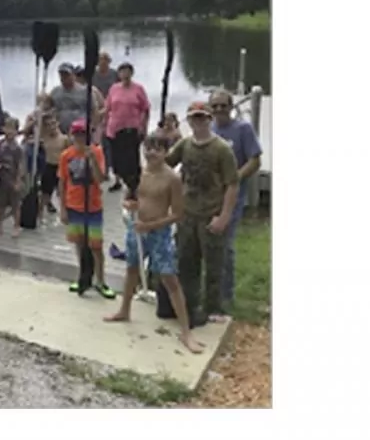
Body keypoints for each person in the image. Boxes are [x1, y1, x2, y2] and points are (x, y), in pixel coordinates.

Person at [103, 135, 204, 354]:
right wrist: (129, 206)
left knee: (169, 278)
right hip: (136, 229)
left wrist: (151, 225)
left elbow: (178, 214)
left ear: (166, 152)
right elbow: (128, 198)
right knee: (131, 270)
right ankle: (124, 310)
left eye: (157, 149)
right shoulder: (139, 173)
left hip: (159, 233)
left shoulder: (172, 179)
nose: (151, 153)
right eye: (148, 148)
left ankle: (186, 332)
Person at [165, 101, 239, 324]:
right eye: (194, 117)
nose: (198, 122)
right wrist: (160, 140)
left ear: (209, 119)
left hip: (211, 213)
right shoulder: (185, 144)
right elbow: (166, 164)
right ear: (188, 121)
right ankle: (190, 305)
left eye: (202, 117)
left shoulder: (222, 149)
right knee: (186, 262)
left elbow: (232, 184)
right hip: (187, 213)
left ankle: (214, 308)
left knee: (214, 264)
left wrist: (224, 216)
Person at [209, 90, 263, 308]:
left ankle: (226, 295)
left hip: (233, 197)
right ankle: (210, 290)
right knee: (208, 243)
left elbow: (255, 161)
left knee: (225, 245)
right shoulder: (208, 128)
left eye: (223, 105)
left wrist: (235, 178)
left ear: (231, 107)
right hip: (208, 197)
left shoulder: (243, 129)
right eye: (215, 106)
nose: (219, 109)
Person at [59, 119, 116, 299]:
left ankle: (101, 280)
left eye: (83, 134)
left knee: (96, 246)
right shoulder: (66, 155)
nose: (79, 138)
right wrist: (63, 208)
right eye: (76, 134)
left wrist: (92, 160)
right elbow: (63, 182)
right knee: (79, 243)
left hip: (92, 206)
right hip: (73, 204)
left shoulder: (97, 152)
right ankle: (83, 276)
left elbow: (100, 179)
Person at [103, 63, 150, 193]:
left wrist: (144, 127)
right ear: (118, 74)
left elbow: (145, 109)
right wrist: (103, 124)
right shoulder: (114, 88)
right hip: (115, 127)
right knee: (116, 157)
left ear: (131, 73)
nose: (125, 74)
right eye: (122, 72)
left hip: (132, 127)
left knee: (131, 157)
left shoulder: (138, 89)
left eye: (127, 71)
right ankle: (118, 181)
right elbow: (107, 107)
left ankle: (134, 184)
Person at [0, 117, 26, 237]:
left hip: (13, 179)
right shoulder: (0, 144)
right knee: (0, 204)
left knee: (15, 205)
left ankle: (16, 226)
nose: (9, 131)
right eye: (7, 128)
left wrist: (18, 180)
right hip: (2, 179)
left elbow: (21, 166)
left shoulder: (18, 148)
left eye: (12, 129)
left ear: (16, 131)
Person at [92, 52, 119, 177]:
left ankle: (109, 168)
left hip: (111, 109)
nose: (103, 62)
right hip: (96, 109)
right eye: (100, 60)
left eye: (105, 60)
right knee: (98, 140)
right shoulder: (93, 74)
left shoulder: (114, 74)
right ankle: (100, 168)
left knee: (109, 140)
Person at [50, 63, 93, 136]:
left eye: (67, 75)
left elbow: (94, 111)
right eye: (62, 75)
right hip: (60, 132)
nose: (64, 77)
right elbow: (48, 107)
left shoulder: (85, 91)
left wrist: (92, 127)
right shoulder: (55, 91)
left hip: (80, 132)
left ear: (73, 75)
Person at [40, 114, 70, 215]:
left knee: (62, 192)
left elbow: (69, 154)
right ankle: (40, 214)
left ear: (57, 123)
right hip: (49, 166)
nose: (52, 127)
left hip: (60, 167)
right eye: (48, 125)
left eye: (53, 124)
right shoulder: (44, 138)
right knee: (45, 194)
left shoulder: (64, 139)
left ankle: (65, 212)